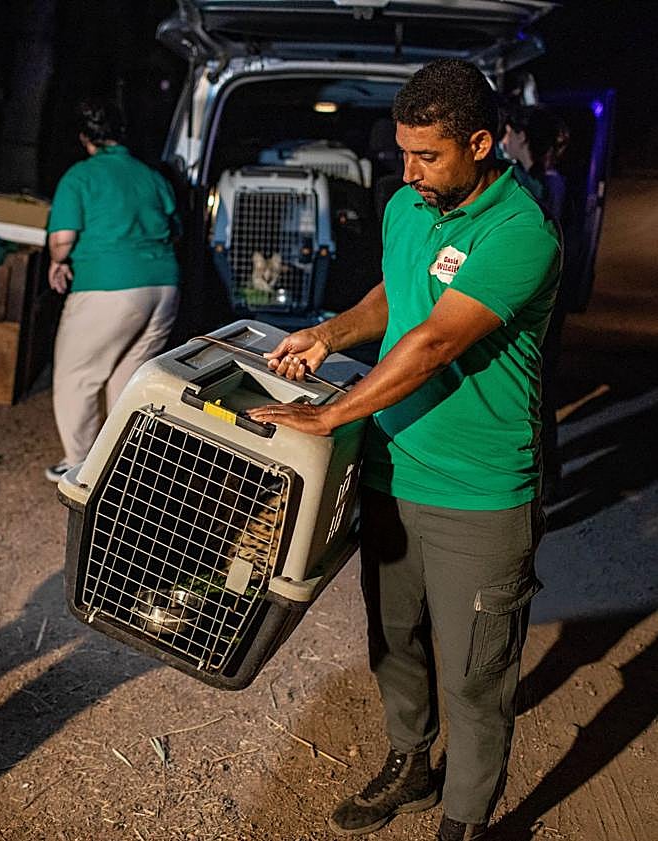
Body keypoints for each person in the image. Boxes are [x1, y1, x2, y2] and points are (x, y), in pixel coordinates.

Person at [246, 59, 561, 841]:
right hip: (393, 471)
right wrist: (326, 332)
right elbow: (394, 296)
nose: (409, 171)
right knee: (393, 642)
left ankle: (463, 819)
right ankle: (410, 764)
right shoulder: (405, 207)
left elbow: (429, 344)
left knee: (475, 677)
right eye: (403, 152)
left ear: (480, 144)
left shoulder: (519, 232)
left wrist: (330, 416)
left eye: (428, 156)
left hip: (480, 493)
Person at [45, 99, 181, 482]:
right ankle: (126, 466)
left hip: (110, 288)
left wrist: (58, 261)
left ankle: (80, 467)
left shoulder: (80, 176)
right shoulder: (151, 175)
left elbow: (63, 240)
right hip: (164, 287)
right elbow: (173, 229)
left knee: (78, 377)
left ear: (85, 138)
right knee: (128, 380)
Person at [501, 104, 570, 501]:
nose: (503, 139)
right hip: (550, 300)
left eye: (508, 132)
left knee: (534, 393)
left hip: (543, 301)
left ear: (521, 136)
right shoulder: (546, 181)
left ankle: (543, 483)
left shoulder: (543, 185)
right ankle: (547, 479)